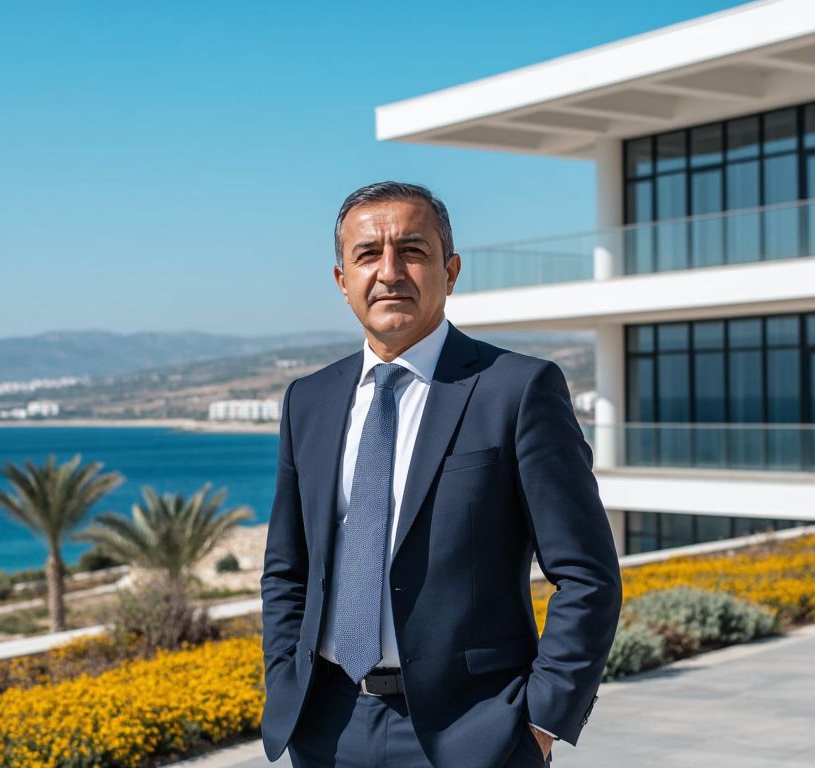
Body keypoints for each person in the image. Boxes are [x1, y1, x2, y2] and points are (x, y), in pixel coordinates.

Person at [260, 181, 621, 768]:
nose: (390, 272)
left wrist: (540, 722)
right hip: (326, 728)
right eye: (368, 255)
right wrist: (284, 682)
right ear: (342, 280)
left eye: (413, 251)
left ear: (450, 271)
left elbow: (587, 575)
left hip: (474, 734)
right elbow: (286, 570)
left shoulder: (517, 390)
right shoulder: (309, 400)